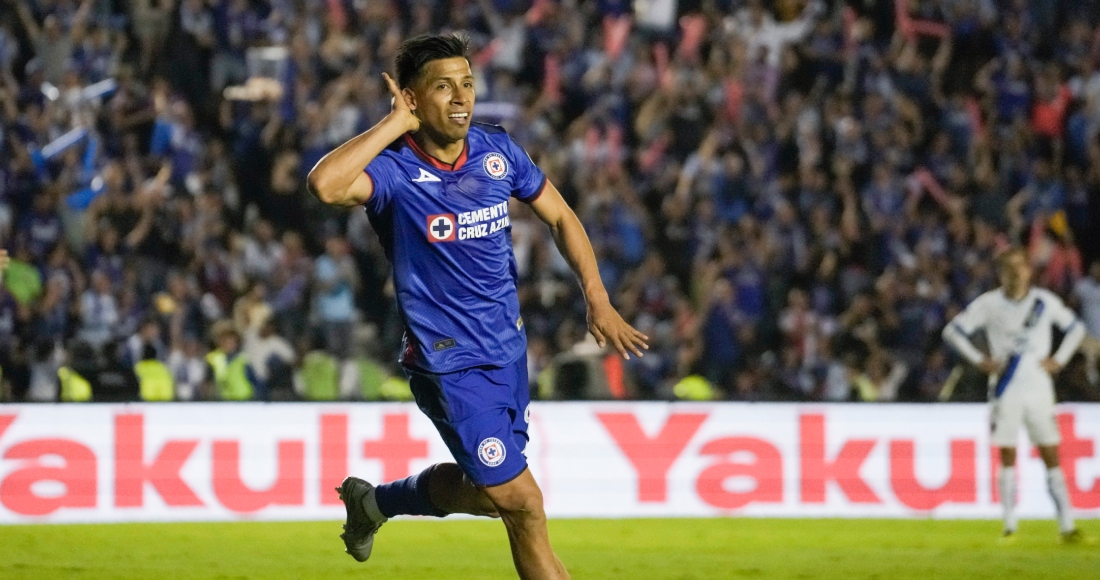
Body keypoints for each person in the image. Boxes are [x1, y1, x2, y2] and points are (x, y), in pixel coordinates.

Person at [307, 34, 647, 578]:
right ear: (414, 99)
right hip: (448, 363)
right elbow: (324, 185)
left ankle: (373, 504)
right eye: (444, 87)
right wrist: (396, 124)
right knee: (524, 505)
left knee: (490, 496)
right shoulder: (394, 173)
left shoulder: (497, 152)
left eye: (467, 83)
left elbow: (560, 217)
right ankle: (376, 505)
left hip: (508, 354)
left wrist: (597, 299)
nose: (462, 97)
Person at [942, 247, 1086, 543]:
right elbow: (953, 331)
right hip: (1005, 390)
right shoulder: (989, 304)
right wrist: (979, 360)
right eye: (1009, 268)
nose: (1016, 273)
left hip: (1038, 389)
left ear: (1029, 271)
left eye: (1020, 267)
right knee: (1007, 455)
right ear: (1001, 273)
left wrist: (1059, 359)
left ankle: (1067, 526)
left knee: (1051, 454)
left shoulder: (1044, 302)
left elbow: (1075, 329)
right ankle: (1009, 527)